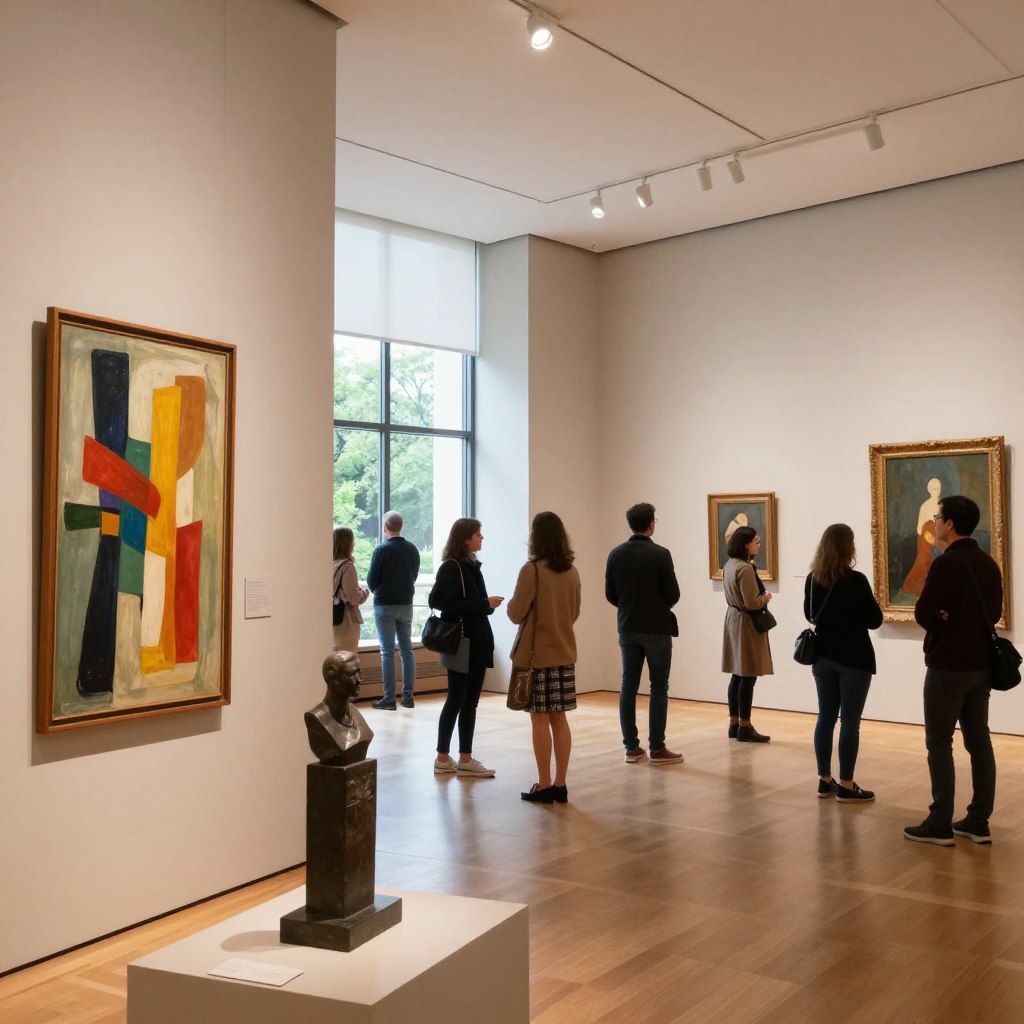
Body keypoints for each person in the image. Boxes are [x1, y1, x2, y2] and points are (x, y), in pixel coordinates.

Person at [904, 495, 1002, 846]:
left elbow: (923, 613)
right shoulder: (988, 563)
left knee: (939, 742)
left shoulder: (947, 564)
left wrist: (943, 615)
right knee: (979, 741)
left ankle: (940, 822)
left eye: (938, 516)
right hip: (981, 666)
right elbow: (993, 612)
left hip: (948, 666)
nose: (935, 521)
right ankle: (978, 820)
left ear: (949, 524)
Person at [804, 524, 883, 801]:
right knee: (850, 721)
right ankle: (847, 786)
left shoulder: (813, 579)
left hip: (823, 657)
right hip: (854, 658)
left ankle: (825, 781)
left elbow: (809, 614)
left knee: (825, 717)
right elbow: (875, 620)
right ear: (847, 547)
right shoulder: (857, 580)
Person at [507, 512, 582, 804]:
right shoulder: (572, 571)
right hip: (564, 653)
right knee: (559, 719)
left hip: (536, 658)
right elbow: (574, 613)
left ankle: (544, 783)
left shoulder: (532, 570)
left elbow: (516, 613)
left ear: (536, 537)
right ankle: (561, 784)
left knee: (539, 720)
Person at [605, 502, 683, 766]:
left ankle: (631, 747)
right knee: (658, 686)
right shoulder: (661, 554)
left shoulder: (615, 554)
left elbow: (611, 595)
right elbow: (673, 593)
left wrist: (630, 606)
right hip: (656, 628)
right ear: (651, 524)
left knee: (628, 686)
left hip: (627, 625)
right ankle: (657, 748)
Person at [429, 518, 504, 777]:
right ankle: (449, 756)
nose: (482, 538)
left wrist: (485, 604)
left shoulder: (472, 566)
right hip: (463, 642)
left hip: (476, 640)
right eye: (478, 534)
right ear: (465, 539)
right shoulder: (453, 567)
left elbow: (472, 604)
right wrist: (484, 603)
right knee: (459, 699)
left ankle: (462, 757)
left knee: (468, 701)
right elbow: (440, 602)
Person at [721, 526, 774, 742]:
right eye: (755, 540)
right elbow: (752, 602)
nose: (758, 544)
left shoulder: (729, 565)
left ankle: (734, 724)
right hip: (745, 623)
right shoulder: (744, 568)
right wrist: (766, 597)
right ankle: (745, 726)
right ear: (745, 544)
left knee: (737, 675)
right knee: (748, 676)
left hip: (733, 619)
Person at [366, 510, 420, 710]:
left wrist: (379, 590)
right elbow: (413, 575)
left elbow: (372, 581)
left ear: (385, 528)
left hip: (385, 605)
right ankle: (408, 697)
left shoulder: (381, 550)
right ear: (401, 526)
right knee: (407, 651)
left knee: (387, 651)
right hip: (406, 604)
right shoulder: (412, 549)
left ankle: (389, 699)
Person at [304, 651, 374, 766]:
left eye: (358, 672)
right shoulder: (316, 718)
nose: (358, 680)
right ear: (333, 679)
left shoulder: (354, 713)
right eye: (351, 674)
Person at [332, 527, 369, 655]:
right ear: (349, 543)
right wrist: (364, 593)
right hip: (346, 624)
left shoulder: (328, 564)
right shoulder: (347, 567)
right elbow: (353, 598)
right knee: (348, 665)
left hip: (331, 623)